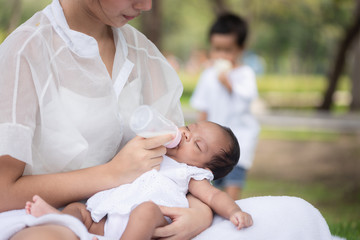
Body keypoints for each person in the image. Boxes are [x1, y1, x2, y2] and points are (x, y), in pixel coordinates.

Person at [0, 0, 214, 239]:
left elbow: (184, 159)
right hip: (38, 216)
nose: (146, 5)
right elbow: (3, 192)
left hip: (127, 216)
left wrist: (200, 211)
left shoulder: (143, 53)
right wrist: (112, 174)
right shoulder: (25, 52)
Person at [24, 121, 253, 239]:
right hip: (106, 217)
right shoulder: (156, 147)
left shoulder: (191, 173)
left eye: (197, 144)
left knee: (146, 211)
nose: (186, 134)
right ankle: (63, 221)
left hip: (146, 224)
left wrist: (233, 211)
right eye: (190, 129)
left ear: (204, 168)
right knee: (78, 209)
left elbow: (213, 195)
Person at [190, 13, 260, 200]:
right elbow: (202, 108)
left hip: (241, 142)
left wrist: (229, 84)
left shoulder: (245, 74)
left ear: (240, 50)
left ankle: (232, 215)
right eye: (216, 49)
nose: (221, 55)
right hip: (213, 143)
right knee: (209, 187)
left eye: (227, 50)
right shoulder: (208, 75)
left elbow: (246, 100)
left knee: (232, 186)